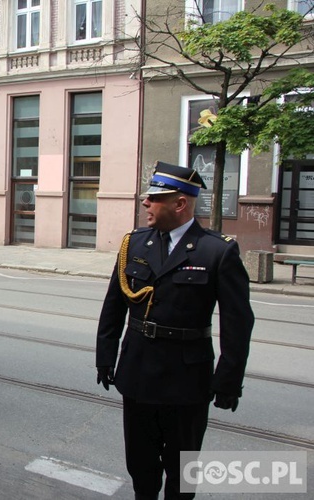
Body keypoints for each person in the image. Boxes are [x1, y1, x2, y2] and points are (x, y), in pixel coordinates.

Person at [95, 161, 254, 500]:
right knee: (140, 465)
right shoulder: (134, 244)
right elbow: (114, 306)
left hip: (187, 380)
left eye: (154, 198)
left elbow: (238, 323)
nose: (145, 203)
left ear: (180, 203)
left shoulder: (217, 250)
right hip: (137, 372)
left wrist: (227, 380)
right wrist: (105, 356)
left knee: (182, 473)